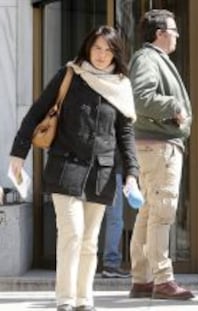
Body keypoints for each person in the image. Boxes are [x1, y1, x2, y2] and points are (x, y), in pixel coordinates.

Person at [9, 25, 139, 311]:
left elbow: (125, 135)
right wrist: (18, 154)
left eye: (108, 50)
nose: (102, 55)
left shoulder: (120, 85)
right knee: (72, 233)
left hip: (101, 173)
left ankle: (84, 299)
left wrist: (132, 173)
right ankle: (65, 300)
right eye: (97, 48)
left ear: (116, 54)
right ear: (87, 49)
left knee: (90, 241)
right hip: (65, 166)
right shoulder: (70, 74)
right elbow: (36, 112)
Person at [128, 9, 193, 300]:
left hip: (152, 145)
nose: (177, 35)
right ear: (160, 33)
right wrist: (174, 107)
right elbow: (141, 98)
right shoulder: (147, 58)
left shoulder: (151, 59)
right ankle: (163, 280)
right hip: (159, 146)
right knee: (162, 212)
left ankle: (142, 279)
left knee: (148, 212)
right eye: (174, 30)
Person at [101, 172, 130, 279]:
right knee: (115, 220)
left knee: (89, 219)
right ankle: (111, 264)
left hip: (89, 168)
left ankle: (79, 264)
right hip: (111, 171)